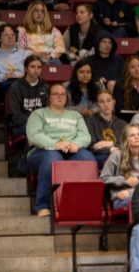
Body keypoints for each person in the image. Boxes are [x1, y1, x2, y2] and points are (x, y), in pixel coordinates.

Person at [26, 83, 96, 217]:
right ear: (49, 97)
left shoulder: (75, 115)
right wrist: (55, 144)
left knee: (88, 159)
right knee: (53, 159)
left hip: (70, 149)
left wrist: (75, 144)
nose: (60, 97)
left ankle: (86, 203)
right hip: (42, 152)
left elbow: (85, 136)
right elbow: (34, 136)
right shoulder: (38, 114)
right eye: (55, 94)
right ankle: (42, 205)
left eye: (62, 94)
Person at [101, 123, 139, 208]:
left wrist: (131, 193)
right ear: (126, 139)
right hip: (122, 198)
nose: (137, 137)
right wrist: (125, 181)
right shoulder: (116, 155)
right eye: (132, 135)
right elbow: (103, 179)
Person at [7, 55, 48, 140]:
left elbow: (49, 110)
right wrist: (35, 122)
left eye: (39, 67)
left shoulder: (45, 87)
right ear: (25, 69)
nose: (36, 70)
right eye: (32, 67)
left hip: (42, 124)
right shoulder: (15, 87)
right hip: (21, 125)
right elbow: (15, 115)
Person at [86, 89, 127, 167]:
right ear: (97, 104)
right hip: (100, 156)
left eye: (108, 101)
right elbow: (92, 146)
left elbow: (127, 145)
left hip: (119, 154)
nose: (106, 105)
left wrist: (111, 143)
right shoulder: (90, 122)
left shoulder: (122, 124)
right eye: (102, 102)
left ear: (113, 102)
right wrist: (110, 149)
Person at [0, 23, 28, 91]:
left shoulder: (24, 54)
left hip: (21, 84)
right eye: (6, 34)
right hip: (1, 86)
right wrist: (5, 76)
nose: (10, 37)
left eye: (13, 34)